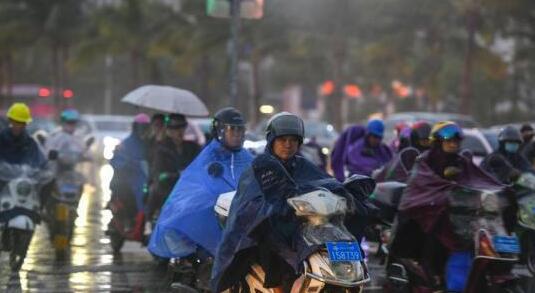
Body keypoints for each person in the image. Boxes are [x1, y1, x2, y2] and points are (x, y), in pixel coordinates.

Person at [211, 112, 370, 292]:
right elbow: (251, 206)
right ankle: (277, 284)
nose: (288, 145)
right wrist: (274, 209)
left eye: (293, 140)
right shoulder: (262, 167)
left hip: (300, 229)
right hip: (266, 233)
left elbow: (325, 184)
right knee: (268, 234)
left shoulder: (302, 165)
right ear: (272, 140)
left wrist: (347, 195)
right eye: (282, 139)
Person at [393, 121, 503, 289]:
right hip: (431, 219)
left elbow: (480, 180)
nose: (453, 144)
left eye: (456, 141)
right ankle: (433, 281)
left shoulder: (462, 162)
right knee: (433, 243)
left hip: (462, 222)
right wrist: (444, 191)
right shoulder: (425, 161)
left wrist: (500, 191)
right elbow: (418, 188)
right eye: (448, 140)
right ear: (438, 142)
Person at [148, 107, 253, 259]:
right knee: (194, 212)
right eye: (232, 130)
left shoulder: (246, 157)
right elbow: (198, 179)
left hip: (236, 205)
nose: (237, 135)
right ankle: (190, 262)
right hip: (208, 201)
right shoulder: (210, 154)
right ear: (220, 131)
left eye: (240, 130)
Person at [146, 114, 201, 222]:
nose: (179, 131)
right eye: (175, 128)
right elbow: (159, 173)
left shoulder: (192, 148)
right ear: (169, 131)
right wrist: (176, 174)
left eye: (181, 127)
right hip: (168, 191)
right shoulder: (161, 149)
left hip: (189, 191)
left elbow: (200, 166)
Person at [108, 113, 151, 241]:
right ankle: (127, 219)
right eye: (140, 127)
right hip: (128, 180)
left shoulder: (149, 144)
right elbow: (115, 160)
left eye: (145, 127)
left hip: (146, 178)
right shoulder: (125, 144)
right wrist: (125, 164)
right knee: (127, 194)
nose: (143, 130)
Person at [0, 103, 46, 167]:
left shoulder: (30, 142)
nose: (21, 126)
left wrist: (45, 171)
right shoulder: (1, 140)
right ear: (11, 121)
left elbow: (41, 163)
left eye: (23, 123)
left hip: (25, 176)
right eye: (18, 122)